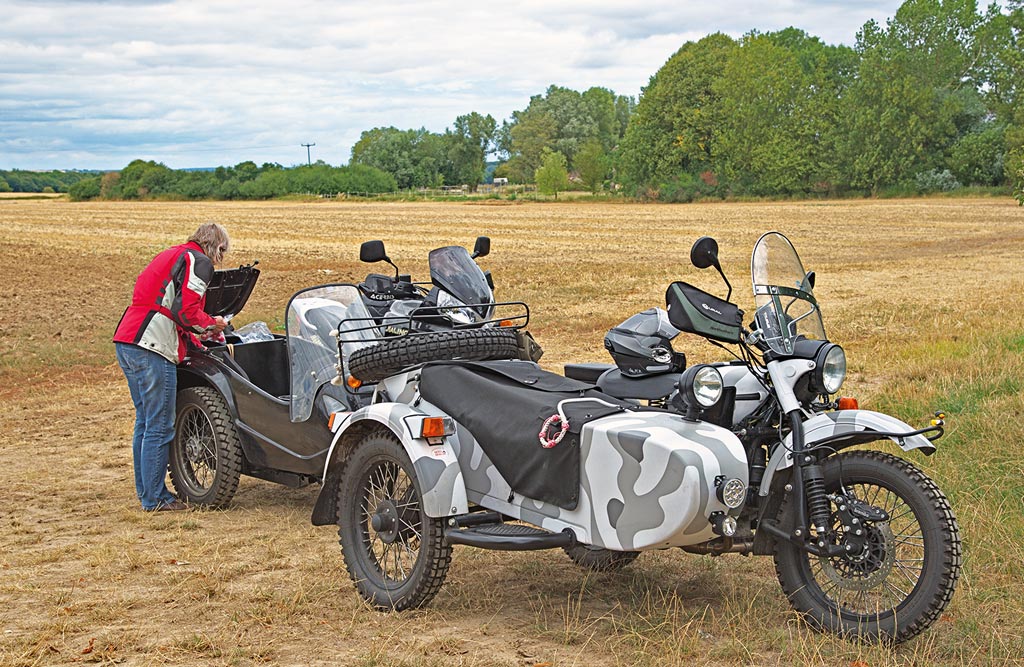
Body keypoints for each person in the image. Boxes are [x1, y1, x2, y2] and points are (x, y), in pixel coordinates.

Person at [113, 223, 231, 511]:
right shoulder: (198, 261)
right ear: (215, 246)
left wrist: (195, 333)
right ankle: (156, 499)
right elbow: (185, 310)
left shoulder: (173, 254)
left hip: (128, 339)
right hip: (152, 345)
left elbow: (167, 306)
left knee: (145, 422)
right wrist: (212, 324)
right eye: (222, 251)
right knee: (160, 424)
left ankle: (147, 494)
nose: (221, 259)